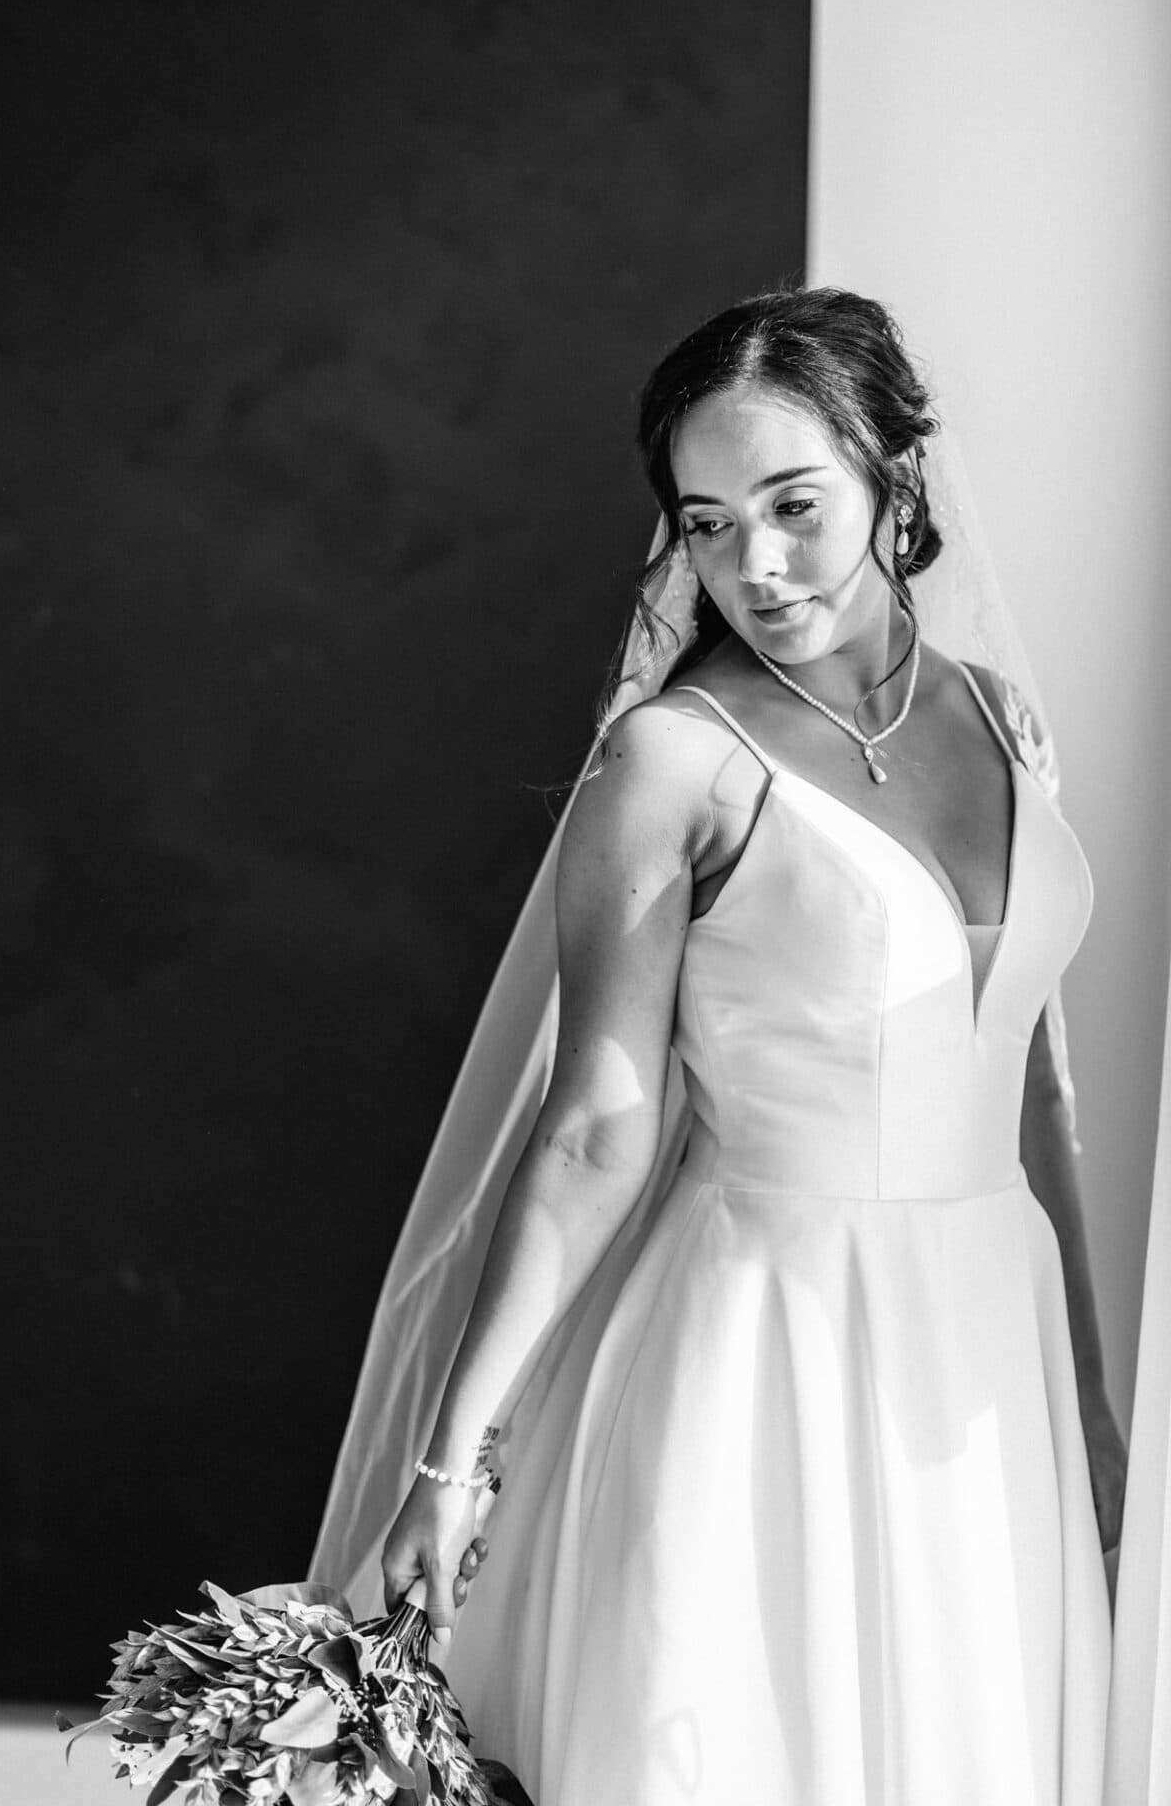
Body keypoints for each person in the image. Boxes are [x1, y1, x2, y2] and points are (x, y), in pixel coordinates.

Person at [316, 286, 1127, 1804]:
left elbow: (1030, 1082)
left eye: (795, 505)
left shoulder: (1000, 721)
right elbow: (592, 1128)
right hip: (764, 1341)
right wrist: (451, 1462)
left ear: (899, 474)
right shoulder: (676, 760)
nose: (754, 564)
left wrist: (1085, 1393)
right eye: (706, 522)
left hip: (986, 1351)